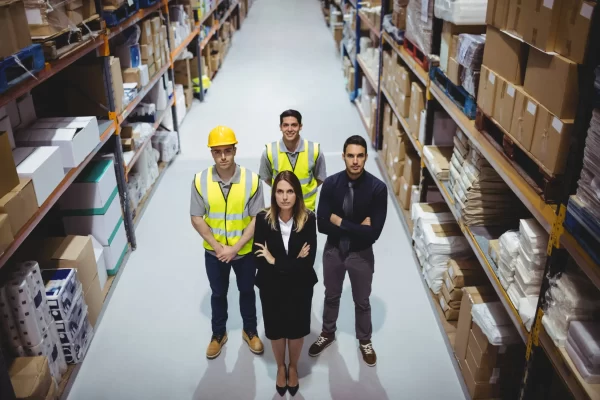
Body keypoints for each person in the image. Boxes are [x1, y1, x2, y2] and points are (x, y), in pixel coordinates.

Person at [308, 135, 388, 367]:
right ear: (343, 156)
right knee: (331, 295)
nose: (355, 161)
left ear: (365, 157)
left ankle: (365, 340)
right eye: (351, 156)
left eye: (360, 156)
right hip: (333, 251)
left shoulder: (377, 189)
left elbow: (373, 234)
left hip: (361, 254)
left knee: (362, 300)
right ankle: (327, 333)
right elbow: (321, 224)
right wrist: (357, 226)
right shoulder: (331, 184)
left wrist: (339, 221)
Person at [190, 126, 265, 360]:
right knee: (218, 293)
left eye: (227, 151)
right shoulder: (200, 180)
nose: (223, 157)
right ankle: (218, 334)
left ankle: (249, 330)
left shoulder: (252, 180)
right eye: (217, 152)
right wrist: (217, 246)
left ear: (235, 150)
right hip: (214, 253)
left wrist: (234, 248)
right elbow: (196, 217)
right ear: (212, 153)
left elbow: (257, 218)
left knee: (246, 291)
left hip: (243, 252)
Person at [253, 171, 317, 397]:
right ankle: (281, 366)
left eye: (290, 191)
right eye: (280, 191)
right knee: (277, 330)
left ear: (297, 195)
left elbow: (307, 262)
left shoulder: (309, 219)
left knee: (297, 330)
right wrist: (291, 262)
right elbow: (259, 259)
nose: (285, 197)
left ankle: (293, 367)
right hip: (271, 287)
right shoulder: (263, 219)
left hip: (300, 287)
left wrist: (275, 261)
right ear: (274, 194)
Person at [259, 109, 327, 211]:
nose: (290, 129)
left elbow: (320, 177)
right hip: (280, 210)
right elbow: (267, 178)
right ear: (280, 127)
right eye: (286, 125)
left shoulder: (315, 150)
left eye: (294, 125)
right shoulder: (269, 151)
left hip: (306, 210)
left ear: (300, 126)